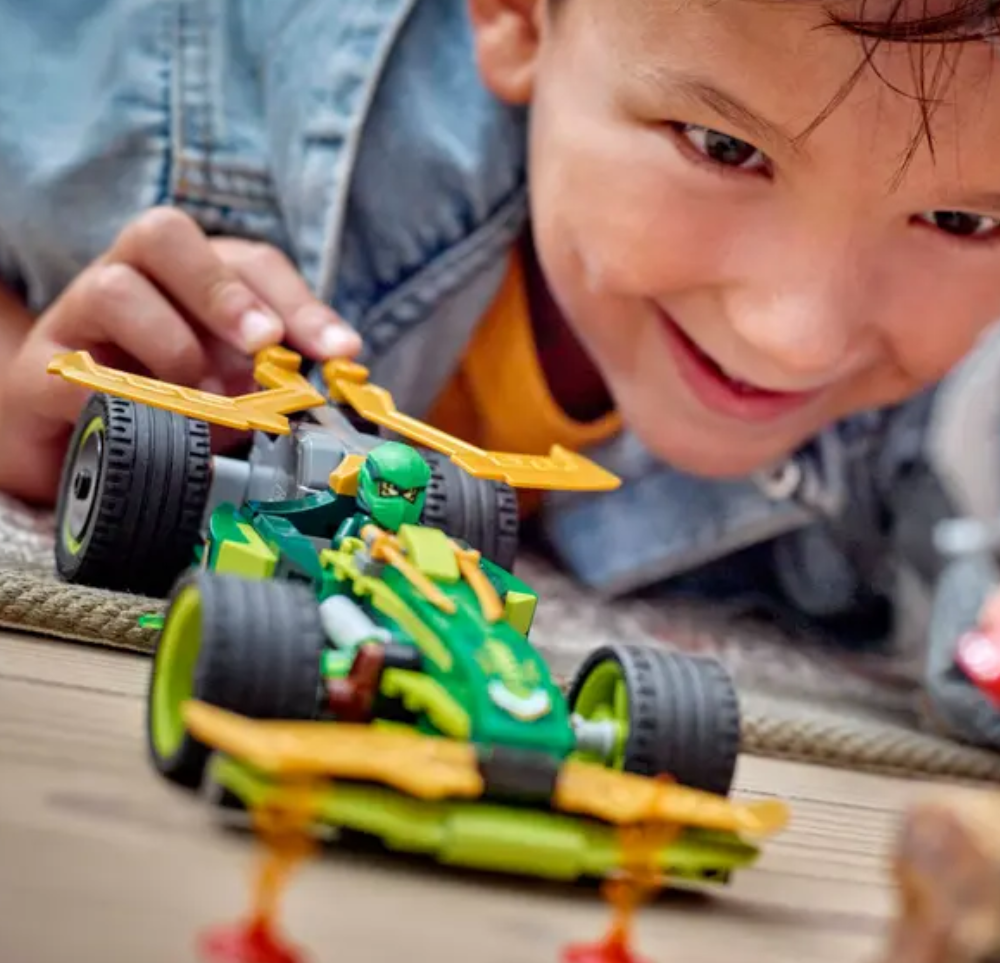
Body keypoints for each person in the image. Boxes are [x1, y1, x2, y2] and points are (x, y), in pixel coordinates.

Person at [2, 0, 1000, 738]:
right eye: (722, 146)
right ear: (518, 18)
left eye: (962, 221)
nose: (799, 337)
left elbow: (927, 561)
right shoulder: (186, 110)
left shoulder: (887, 440)